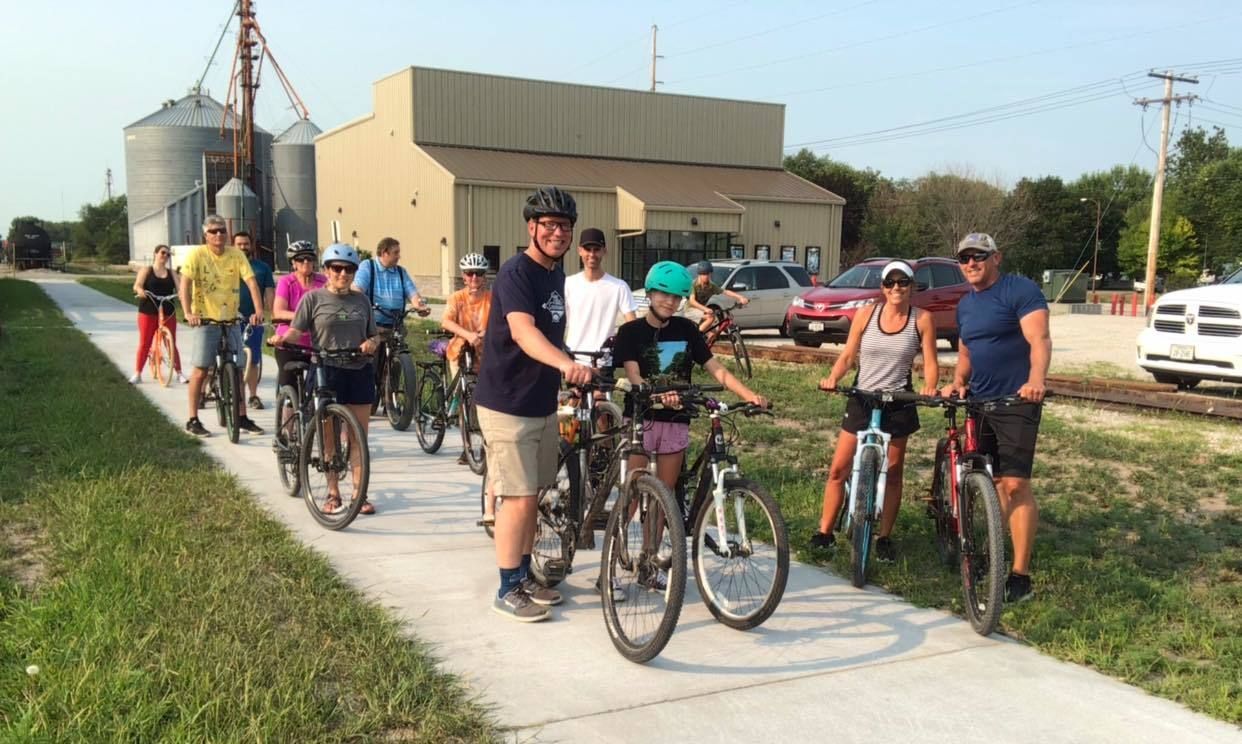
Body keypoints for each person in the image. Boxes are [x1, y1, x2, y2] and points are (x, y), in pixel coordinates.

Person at [473, 186, 593, 623]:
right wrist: (566, 365)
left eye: (564, 226)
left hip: (539, 401)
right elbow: (523, 333)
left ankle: (523, 576)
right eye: (550, 225)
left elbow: (553, 334)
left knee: (534, 495)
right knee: (518, 498)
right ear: (532, 227)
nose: (558, 233)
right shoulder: (516, 273)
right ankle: (507, 588)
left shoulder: (554, 276)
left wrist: (571, 368)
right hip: (506, 402)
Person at [613, 261, 769, 589]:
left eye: (676, 297)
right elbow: (633, 373)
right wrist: (654, 393)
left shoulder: (687, 331)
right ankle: (611, 563)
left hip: (676, 421)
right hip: (642, 419)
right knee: (632, 493)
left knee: (663, 497)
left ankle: (649, 562)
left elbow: (717, 370)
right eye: (663, 294)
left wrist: (750, 394)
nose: (669, 302)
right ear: (651, 293)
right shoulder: (631, 333)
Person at [942, 233, 1051, 604]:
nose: (970, 263)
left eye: (978, 256)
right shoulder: (965, 305)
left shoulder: (1019, 290)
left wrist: (1036, 380)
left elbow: (1040, 339)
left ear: (996, 258)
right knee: (994, 483)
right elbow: (966, 350)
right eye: (964, 258)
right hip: (979, 403)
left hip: (1016, 401)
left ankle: (1020, 574)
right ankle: (994, 549)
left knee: (1016, 485)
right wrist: (958, 381)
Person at [811, 260, 939, 562]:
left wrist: (930, 386)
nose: (897, 287)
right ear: (882, 287)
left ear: (912, 286)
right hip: (863, 397)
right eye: (890, 282)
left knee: (893, 473)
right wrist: (833, 378)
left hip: (899, 399)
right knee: (838, 470)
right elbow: (848, 355)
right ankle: (825, 532)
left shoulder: (922, 319)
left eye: (903, 282)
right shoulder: (866, 314)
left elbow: (931, 361)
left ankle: (884, 537)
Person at [271, 243, 381, 515]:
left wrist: (371, 343)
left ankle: (359, 493)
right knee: (329, 435)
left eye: (348, 269)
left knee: (358, 437)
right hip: (326, 369)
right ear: (327, 270)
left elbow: (374, 334)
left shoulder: (361, 300)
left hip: (358, 368)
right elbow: (297, 330)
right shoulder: (313, 299)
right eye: (336, 268)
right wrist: (283, 339)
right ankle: (333, 493)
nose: (342, 274)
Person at [178, 215, 265, 438]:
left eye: (222, 231)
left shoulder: (236, 255)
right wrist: (188, 312)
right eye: (214, 231)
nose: (219, 235)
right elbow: (185, 284)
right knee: (200, 369)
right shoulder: (197, 255)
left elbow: (251, 282)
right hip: (205, 319)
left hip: (231, 318)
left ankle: (242, 416)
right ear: (205, 235)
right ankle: (193, 419)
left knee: (237, 370)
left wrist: (258, 310)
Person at [353, 237, 431, 404]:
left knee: (398, 359)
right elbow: (357, 289)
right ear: (383, 253)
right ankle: (367, 393)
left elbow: (413, 293)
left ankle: (392, 395)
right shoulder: (368, 267)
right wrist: (358, 302)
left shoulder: (401, 272)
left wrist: (420, 306)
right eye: (395, 253)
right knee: (370, 362)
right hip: (373, 326)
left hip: (395, 324)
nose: (398, 256)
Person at [441, 253, 493, 466]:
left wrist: (484, 334)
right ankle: (466, 446)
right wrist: (468, 334)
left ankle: (485, 443)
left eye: (478, 274)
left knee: (485, 400)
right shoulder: (456, 298)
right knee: (464, 397)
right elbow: (446, 321)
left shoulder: (491, 298)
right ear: (463, 276)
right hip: (460, 351)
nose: (474, 278)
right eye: (470, 274)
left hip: (485, 353)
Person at [564, 228, 636, 364]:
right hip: (574, 362)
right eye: (587, 249)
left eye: (596, 249)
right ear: (580, 251)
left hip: (604, 362)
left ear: (604, 251)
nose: (592, 254)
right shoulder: (568, 284)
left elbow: (632, 325)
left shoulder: (619, 287)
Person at [271, 241, 326, 392]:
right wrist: (305, 317)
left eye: (309, 258)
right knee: (289, 385)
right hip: (289, 340)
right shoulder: (286, 282)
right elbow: (279, 312)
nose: (306, 262)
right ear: (293, 263)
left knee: (325, 386)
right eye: (301, 259)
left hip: (317, 342)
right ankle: (288, 410)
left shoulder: (324, 282)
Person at [130, 244, 187, 384]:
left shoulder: (172, 272)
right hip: (148, 309)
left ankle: (179, 372)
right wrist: (140, 290)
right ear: (155, 254)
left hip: (167, 309)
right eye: (163, 253)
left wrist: (181, 294)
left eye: (168, 254)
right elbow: (137, 285)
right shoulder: (146, 270)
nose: (165, 256)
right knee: (145, 342)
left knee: (171, 343)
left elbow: (180, 288)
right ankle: (137, 373)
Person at [234, 231, 276, 410]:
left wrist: (273, 314)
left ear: (251, 245)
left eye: (246, 244)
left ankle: (252, 395)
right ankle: (208, 390)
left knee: (253, 359)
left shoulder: (262, 267)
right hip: (230, 318)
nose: (243, 247)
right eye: (239, 244)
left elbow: (269, 292)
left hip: (254, 320)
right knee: (224, 355)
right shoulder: (227, 266)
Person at [686, 260, 748, 334]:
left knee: (713, 334)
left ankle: (702, 344)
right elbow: (692, 301)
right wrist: (706, 309)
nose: (706, 276)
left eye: (708, 274)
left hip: (702, 312)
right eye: (704, 274)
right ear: (699, 274)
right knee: (710, 317)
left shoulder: (711, 286)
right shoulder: (693, 285)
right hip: (689, 311)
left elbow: (725, 291)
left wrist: (740, 297)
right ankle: (695, 337)